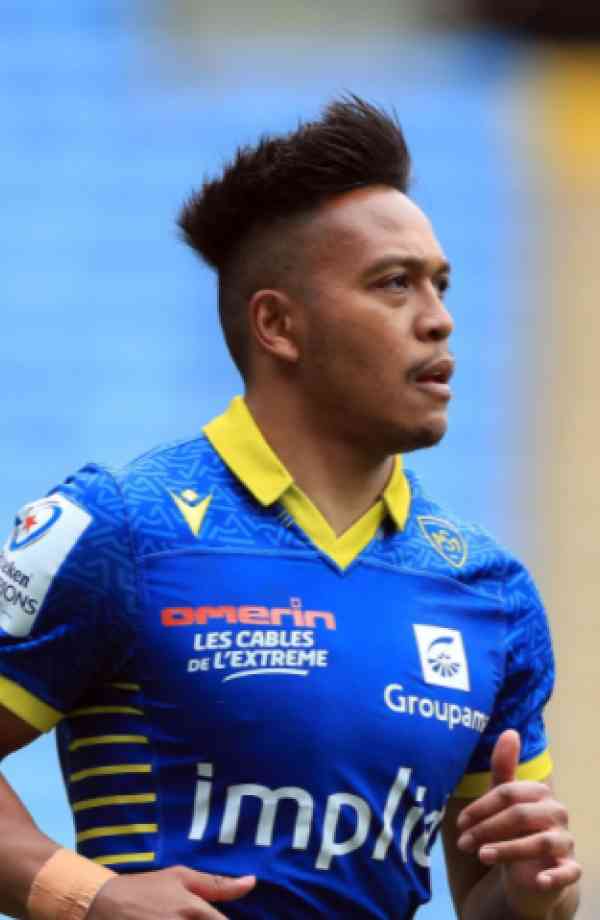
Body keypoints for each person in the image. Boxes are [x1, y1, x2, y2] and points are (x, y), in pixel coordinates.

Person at [0, 97, 581, 920]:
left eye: (441, 285)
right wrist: (87, 896)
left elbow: (488, 898)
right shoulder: (123, 528)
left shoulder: (488, 589)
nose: (439, 320)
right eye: (395, 284)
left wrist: (534, 892)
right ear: (277, 324)